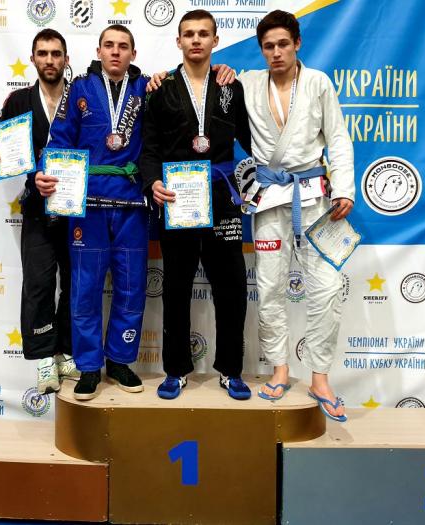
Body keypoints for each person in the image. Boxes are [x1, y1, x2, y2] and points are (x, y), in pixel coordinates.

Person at [239, 10, 354, 421]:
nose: (276, 52)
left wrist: (345, 188)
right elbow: (204, 84)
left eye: (283, 44)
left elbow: (337, 137)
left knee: (327, 287)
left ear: (297, 43)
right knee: (270, 286)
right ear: (261, 50)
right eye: (268, 46)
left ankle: (320, 376)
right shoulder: (248, 83)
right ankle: (280, 369)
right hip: (270, 199)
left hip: (315, 198)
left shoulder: (318, 82)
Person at [140, 10, 253, 400]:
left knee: (232, 286)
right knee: (176, 286)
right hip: (178, 199)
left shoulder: (230, 86)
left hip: (221, 197)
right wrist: (152, 181)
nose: (196, 40)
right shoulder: (160, 89)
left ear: (215, 40)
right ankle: (175, 369)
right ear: (178, 41)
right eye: (188, 34)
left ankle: (231, 370)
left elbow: (252, 140)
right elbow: (149, 147)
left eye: (203, 34)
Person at [36, 25, 149, 401]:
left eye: (123, 46)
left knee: (131, 288)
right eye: (109, 45)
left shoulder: (146, 89)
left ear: (133, 53)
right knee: (85, 289)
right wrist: (44, 171)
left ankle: (119, 361)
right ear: (99, 51)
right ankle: (87, 366)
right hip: (88, 206)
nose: (116, 52)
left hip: (132, 204)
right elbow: (59, 140)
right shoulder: (78, 89)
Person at [0, 29, 79, 394]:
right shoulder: (19, 100)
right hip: (37, 206)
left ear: (66, 59)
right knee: (38, 283)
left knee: (76, 283)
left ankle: (67, 352)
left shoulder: (82, 96)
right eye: (43, 53)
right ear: (33, 59)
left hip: (76, 206)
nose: (49, 60)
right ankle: (44, 359)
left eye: (56, 53)